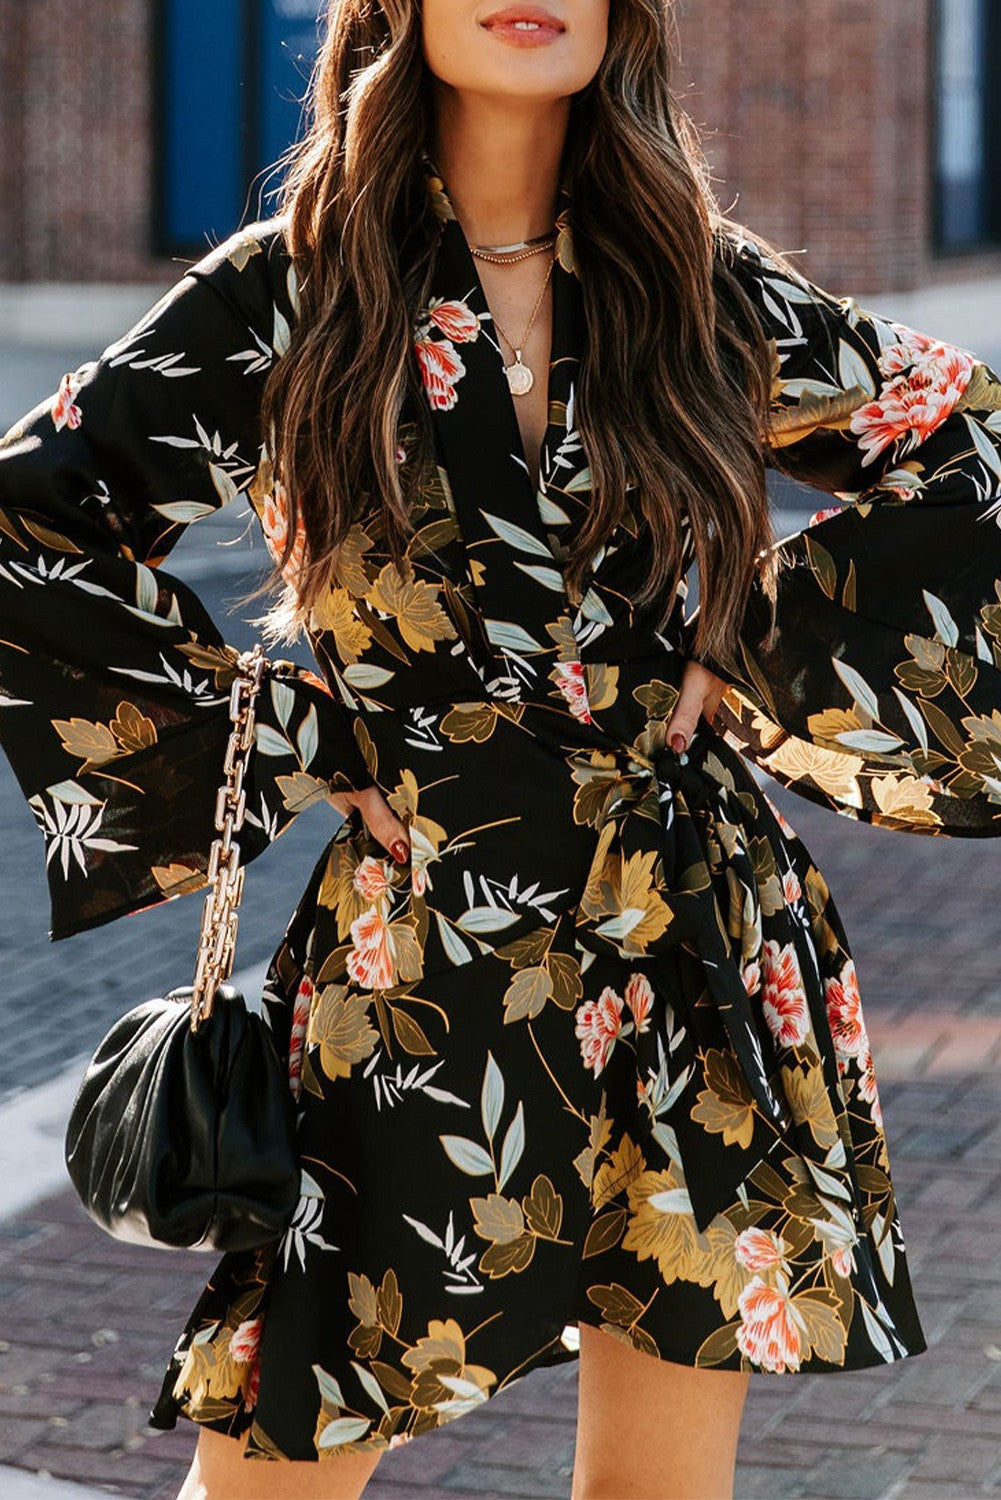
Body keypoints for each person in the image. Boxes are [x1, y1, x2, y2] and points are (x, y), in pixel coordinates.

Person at [1, 0, 1000, 1496]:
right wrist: (293, 727)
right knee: (288, 1448)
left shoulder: (695, 283)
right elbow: (33, 520)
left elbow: (964, 441)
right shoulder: (297, 287)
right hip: (420, 946)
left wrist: (750, 648)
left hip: (699, 938)